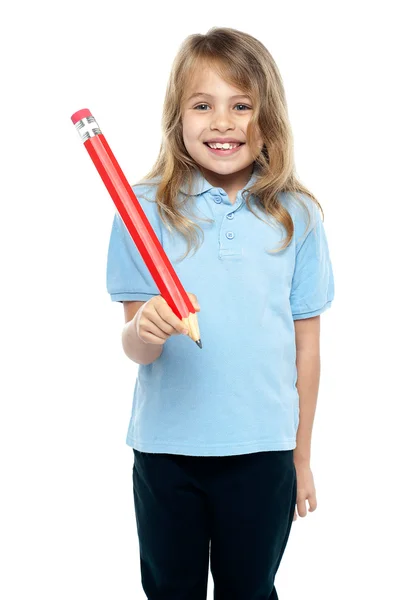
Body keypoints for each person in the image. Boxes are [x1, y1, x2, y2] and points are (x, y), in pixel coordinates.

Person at [106, 26, 335, 600]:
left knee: (251, 589)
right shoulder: (142, 210)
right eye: (202, 105)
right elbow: (133, 345)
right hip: (166, 451)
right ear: (177, 118)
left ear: (267, 121)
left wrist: (301, 457)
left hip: (263, 452)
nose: (222, 122)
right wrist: (146, 329)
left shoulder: (298, 214)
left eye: (241, 106)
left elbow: (307, 348)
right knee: (169, 590)